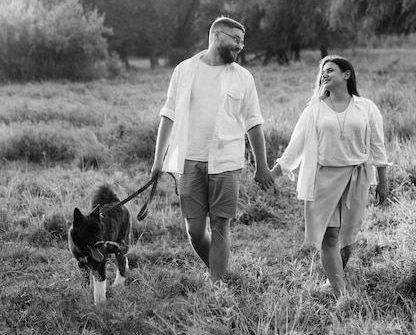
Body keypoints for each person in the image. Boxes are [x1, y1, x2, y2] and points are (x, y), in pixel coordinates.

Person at [150, 16, 274, 283]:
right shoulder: (184, 70)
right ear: (217, 36)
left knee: (220, 226)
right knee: (194, 229)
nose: (241, 46)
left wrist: (261, 165)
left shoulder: (243, 77)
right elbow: (168, 115)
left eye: (243, 41)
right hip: (190, 159)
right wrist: (158, 159)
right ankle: (219, 270)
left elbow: (253, 121)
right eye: (236, 39)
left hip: (226, 161)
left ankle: (217, 284)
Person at [271, 55, 388, 298]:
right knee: (330, 235)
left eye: (331, 70)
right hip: (323, 179)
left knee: (347, 237)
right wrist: (274, 172)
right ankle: (340, 295)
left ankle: (334, 276)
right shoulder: (314, 109)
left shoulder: (366, 107)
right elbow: (297, 144)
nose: (324, 74)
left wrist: (383, 180)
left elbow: (378, 146)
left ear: (346, 74)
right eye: (323, 71)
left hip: (356, 178)